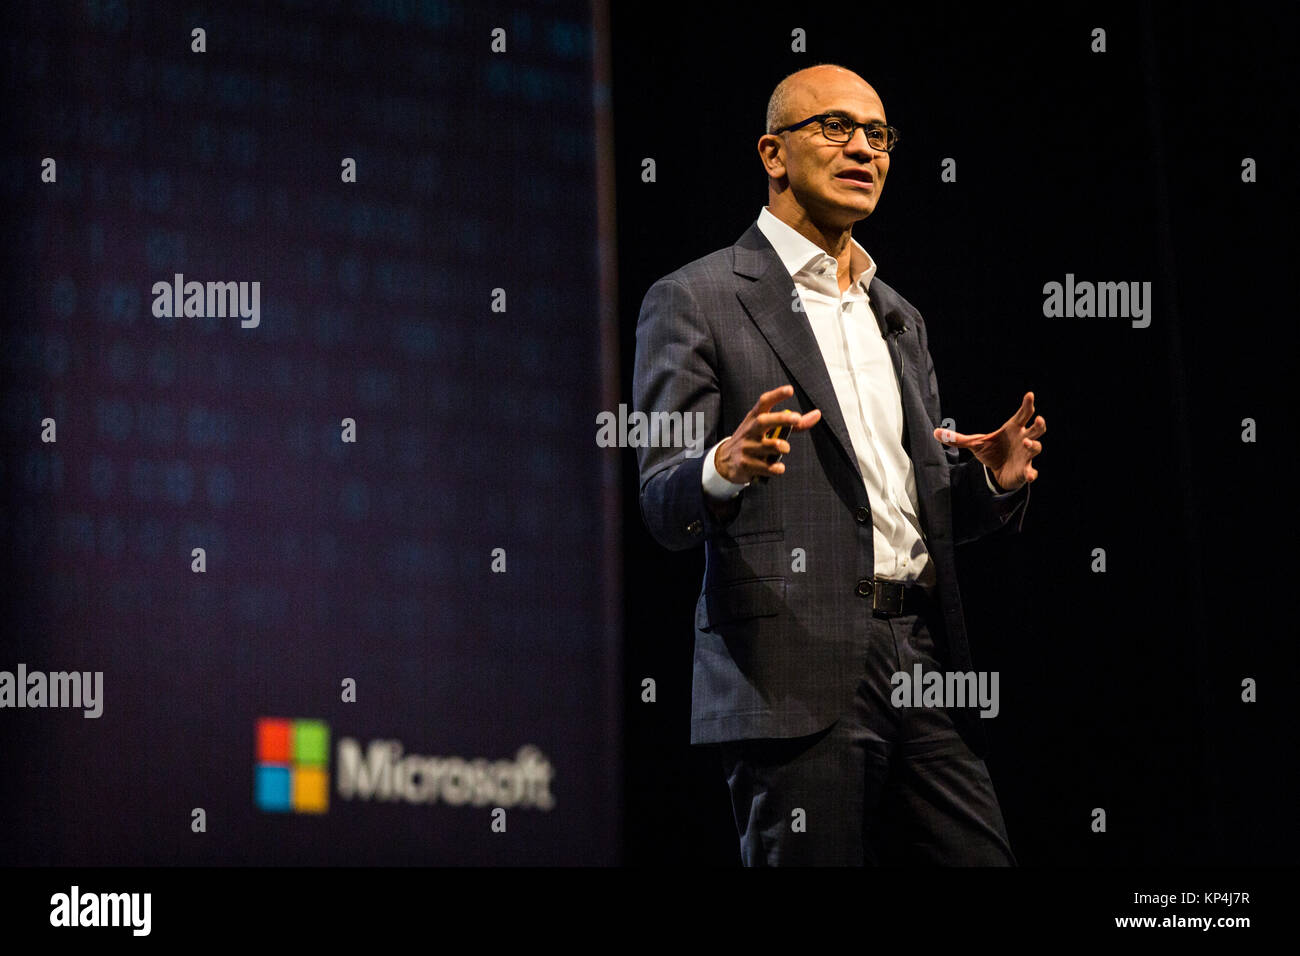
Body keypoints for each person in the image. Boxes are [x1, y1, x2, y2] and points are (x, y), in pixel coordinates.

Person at [632, 64, 1046, 865]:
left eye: (879, 134)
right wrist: (725, 463)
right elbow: (661, 501)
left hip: (923, 659)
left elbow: (906, 510)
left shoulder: (900, 317)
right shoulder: (698, 297)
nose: (864, 149)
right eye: (835, 127)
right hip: (789, 668)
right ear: (773, 153)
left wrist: (989, 481)